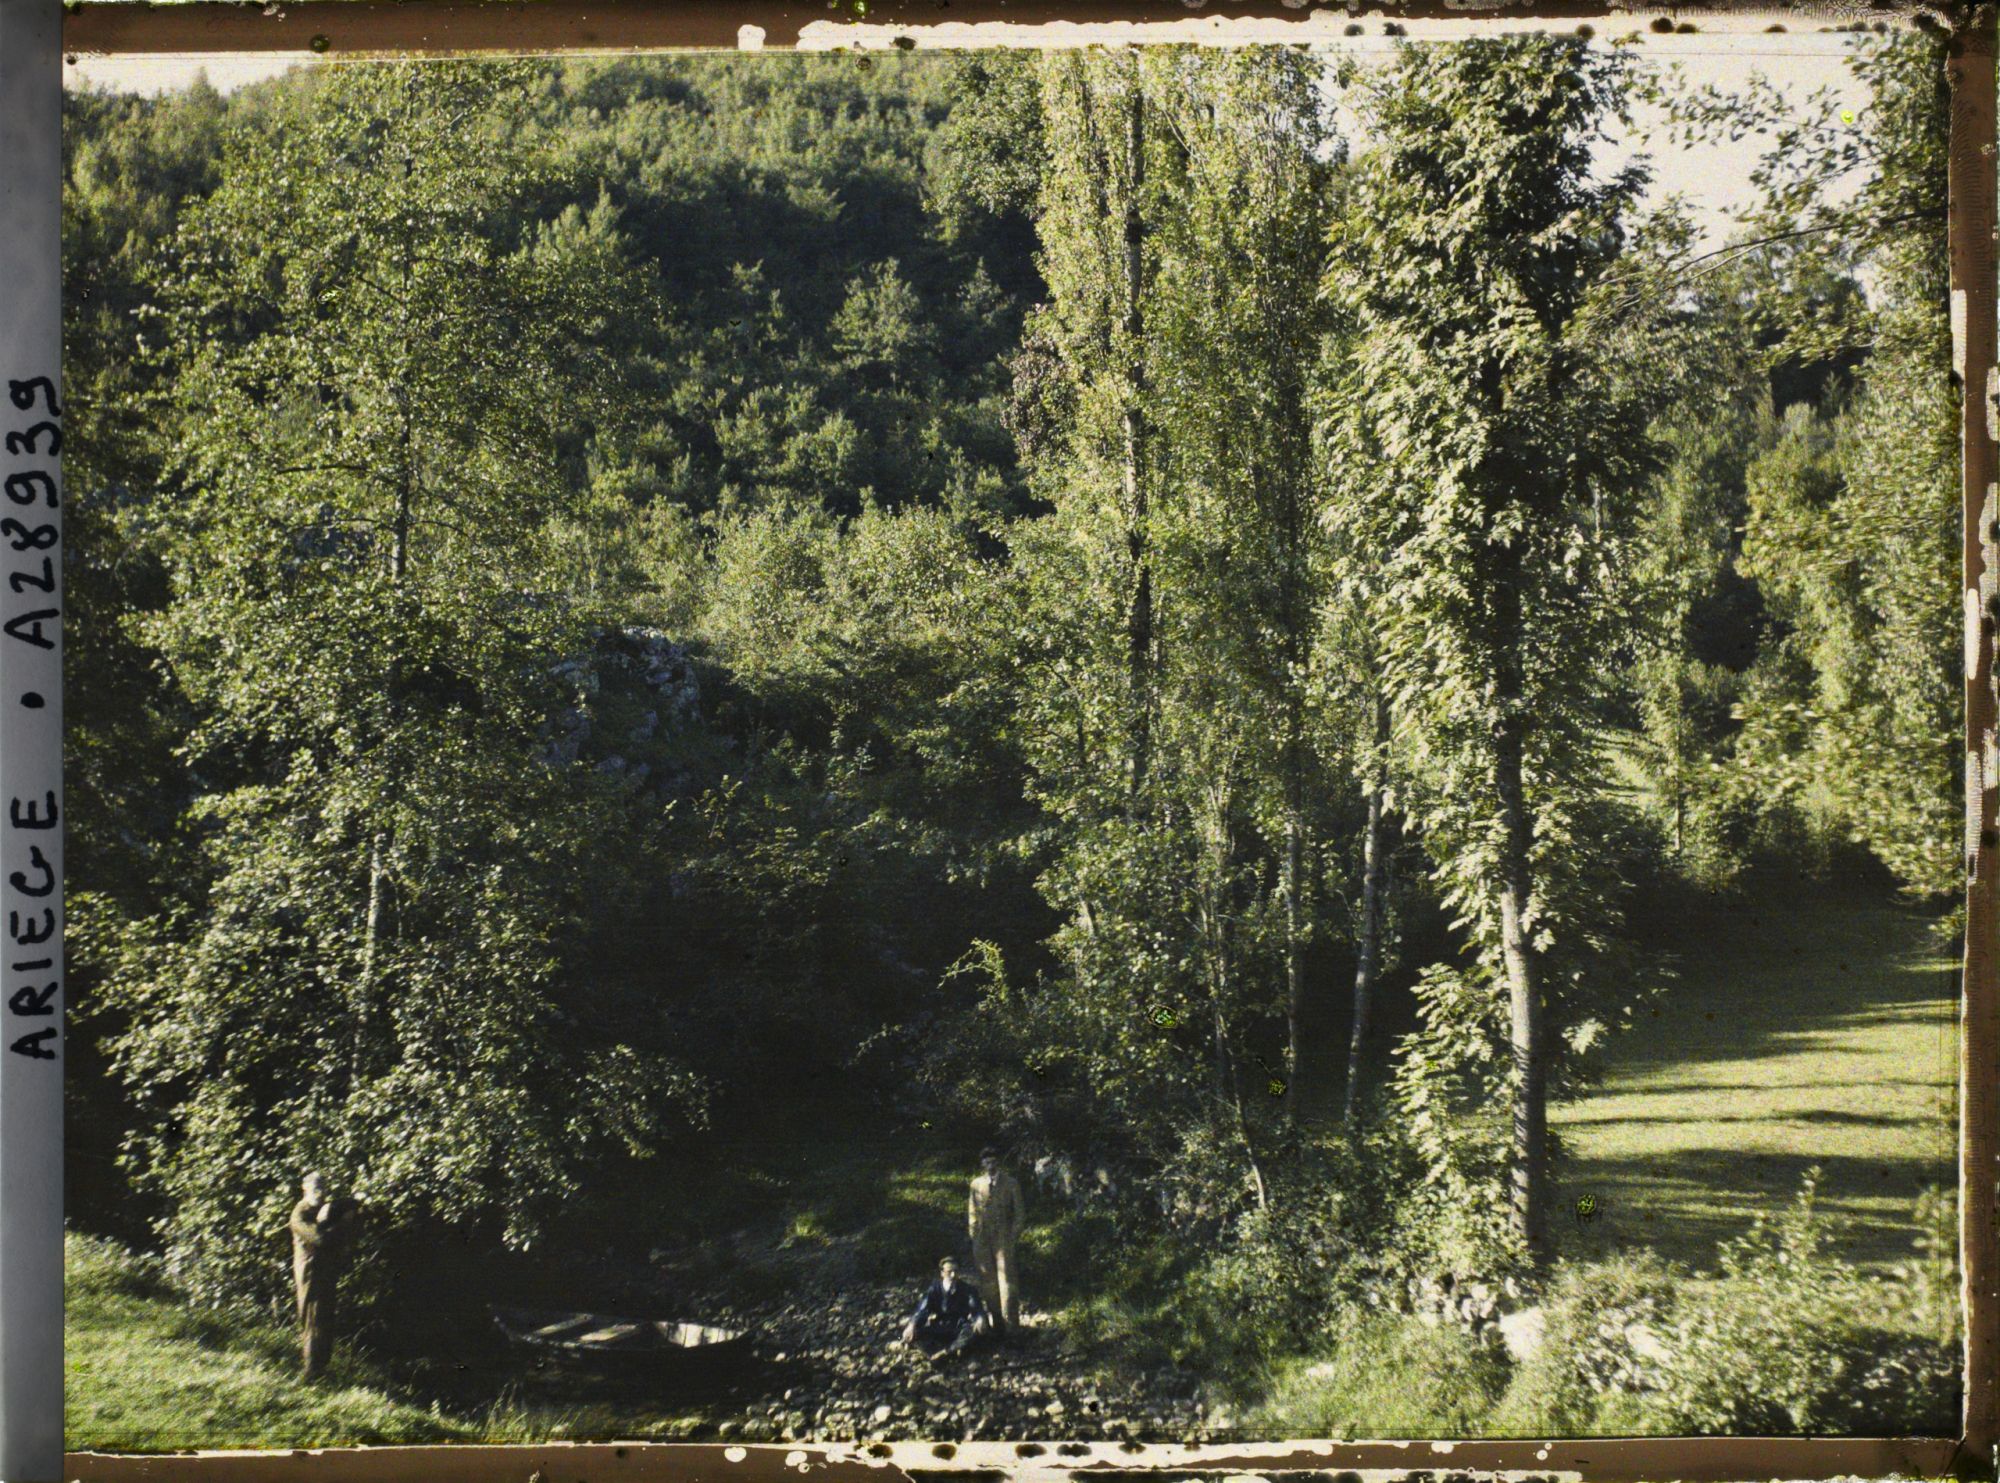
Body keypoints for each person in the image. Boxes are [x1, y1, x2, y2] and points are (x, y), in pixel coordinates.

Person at [288, 1171, 359, 1380]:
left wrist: (337, 1208)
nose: (319, 1193)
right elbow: (320, 1239)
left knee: (326, 1317)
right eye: (315, 1188)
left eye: (323, 1188)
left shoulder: (323, 1208)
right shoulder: (299, 1214)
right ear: (305, 1188)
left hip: (325, 1270)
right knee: (313, 1319)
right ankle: (311, 1371)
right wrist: (342, 1224)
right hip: (309, 1272)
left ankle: (322, 1369)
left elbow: (351, 1203)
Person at [967, 1146, 1024, 1331]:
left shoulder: (1011, 1183)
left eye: (993, 1161)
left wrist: (1012, 1236)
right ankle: (997, 1325)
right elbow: (972, 1212)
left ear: (998, 1162)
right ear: (982, 1164)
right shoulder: (976, 1184)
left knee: (1007, 1283)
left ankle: (1012, 1328)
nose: (990, 1165)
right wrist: (974, 1235)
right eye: (987, 1162)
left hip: (1003, 1238)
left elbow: (1020, 1214)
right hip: (983, 1239)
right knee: (988, 1282)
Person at [899, 1256, 988, 1357]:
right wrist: (912, 1325)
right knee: (915, 1332)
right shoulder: (934, 1289)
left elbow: (976, 1308)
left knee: (973, 1332)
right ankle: (942, 1352)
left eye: (956, 1271)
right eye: (949, 1272)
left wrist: (980, 1318)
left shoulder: (967, 1289)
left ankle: (947, 1352)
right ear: (942, 1273)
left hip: (959, 1326)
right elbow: (923, 1309)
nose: (953, 1275)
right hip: (940, 1325)